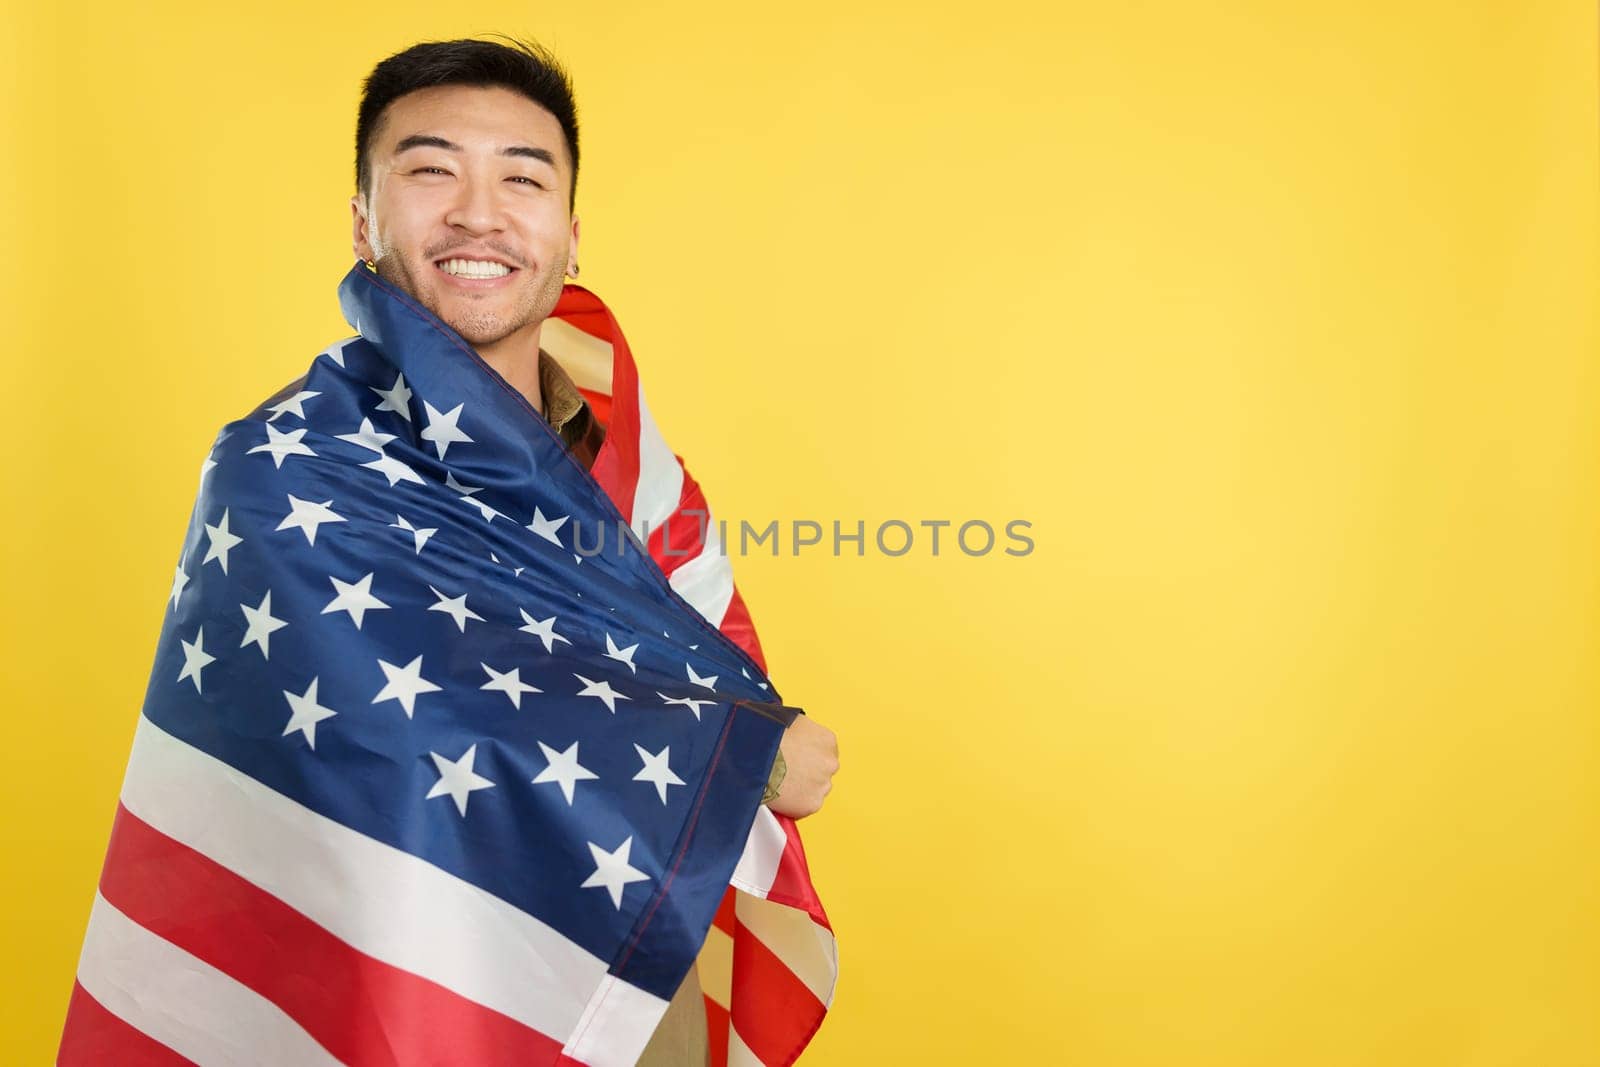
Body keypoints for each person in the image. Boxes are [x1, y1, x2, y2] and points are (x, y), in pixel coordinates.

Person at [59, 36, 838, 1066]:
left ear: (570, 235)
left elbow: (712, 673)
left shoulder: (636, 469)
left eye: (522, 177)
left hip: (628, 983)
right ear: (363, 222)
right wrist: (744, 755)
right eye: (431, 171)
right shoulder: (285, 468)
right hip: (413, 988)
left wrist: (738, 737)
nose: (479, 212)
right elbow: (406, 726)